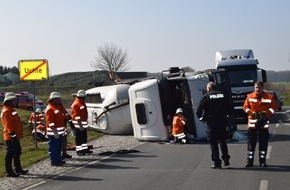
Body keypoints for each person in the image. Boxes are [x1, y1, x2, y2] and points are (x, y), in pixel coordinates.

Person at [196, 82, 232, 169]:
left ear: (208, 89)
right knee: (222, 141)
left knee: (213, 143)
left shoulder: (206, 96)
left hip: (211, 123)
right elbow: (230, 108)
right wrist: (227, 117)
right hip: (222, 122)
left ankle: (217, 162)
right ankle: (226, 158)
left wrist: (202, 119)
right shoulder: (223, 95)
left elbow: (199, 110)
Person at [243, 81, 277, 167]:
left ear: (262, 88)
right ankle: (249, 161)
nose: (257, 89)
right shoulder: (249, 96)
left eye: (259, 87)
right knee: (251, 144)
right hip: (252, 125)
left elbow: (273, 107)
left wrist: (266, 114)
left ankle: (262, 161)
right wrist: (252, 114)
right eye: (256, 88)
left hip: (263, 124)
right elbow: (245, 107)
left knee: (263, 143)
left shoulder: (269, 97)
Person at [1, 92, 28, 177]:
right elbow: (8, 125)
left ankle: (18, 168)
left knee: (17, 152)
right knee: (10, 153)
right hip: (10, 136)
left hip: (14, 135)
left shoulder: (11, 109)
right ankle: (9, 171)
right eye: (14, 100)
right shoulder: (7, 110)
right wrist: (13, 136)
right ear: (10, 101)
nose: (16, 101)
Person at [45, 92, 66, 166]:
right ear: (53, 99)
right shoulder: (50, 108)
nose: (59, 100)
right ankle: (54, 161)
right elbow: (50, 122)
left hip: (59, 132)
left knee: (58, 147)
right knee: (53, 147)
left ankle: (58, 159)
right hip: (53, 133)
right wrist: (55, 131)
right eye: (58, 99)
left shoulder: (57, 107)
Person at [71, 90, 92, 155]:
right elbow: (76, 115)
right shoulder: (76, 104)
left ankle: (84, 149)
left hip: (82, 124)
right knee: (79, 138)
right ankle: (79, 151)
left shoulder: (81, 102)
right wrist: (80, 125)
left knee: (84, 137)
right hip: (78, 125)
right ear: (81, 97)